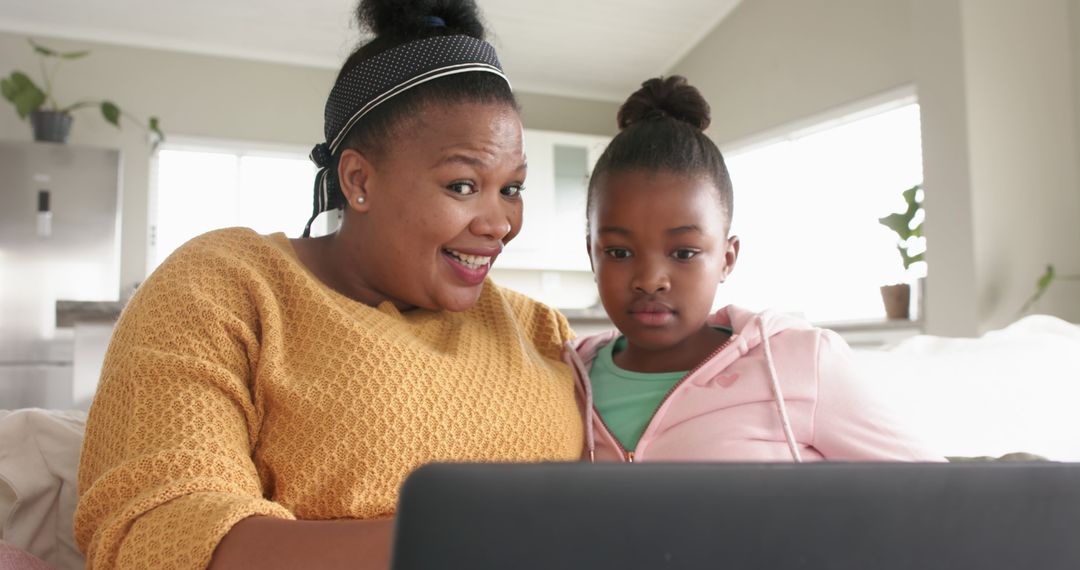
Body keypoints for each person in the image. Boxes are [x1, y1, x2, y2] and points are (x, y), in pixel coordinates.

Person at [74, 1, 584, 568]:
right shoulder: (225, 286)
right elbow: (162, 529)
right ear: (358, 180)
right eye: (463, 185)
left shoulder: (536, 327)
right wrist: (467, 538)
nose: (499, 224)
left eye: (512, 189)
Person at [564, 76, 943, 464]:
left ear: (727, 259)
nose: (650, 280)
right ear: (592, 256)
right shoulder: (562, 376)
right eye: (619, 252)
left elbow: (938, 496)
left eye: (683, 252)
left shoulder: (803, 362)